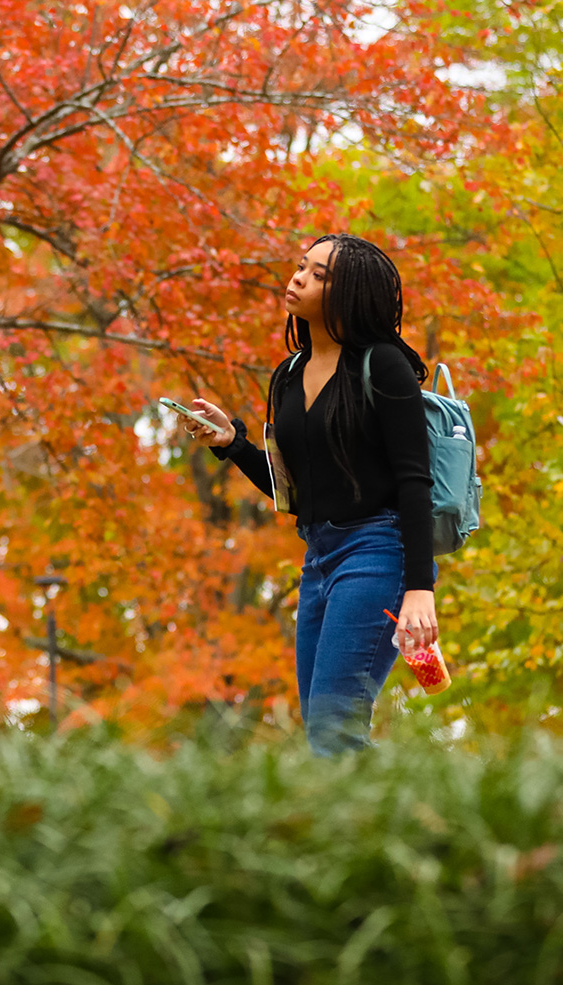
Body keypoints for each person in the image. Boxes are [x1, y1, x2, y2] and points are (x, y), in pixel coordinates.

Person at [176, 233, 436, 755]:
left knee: (333, 728)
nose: (299, 278)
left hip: (376, 554)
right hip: (317, 560)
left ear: (351, 294)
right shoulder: (289, 374)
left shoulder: (382, 365)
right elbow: (290, 491)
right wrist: (232, 444)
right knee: (322, 726)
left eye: (320, 275)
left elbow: (415, 480)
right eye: (302, 267)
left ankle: (383, 830)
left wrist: (419, 589)